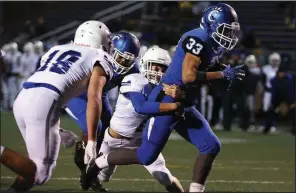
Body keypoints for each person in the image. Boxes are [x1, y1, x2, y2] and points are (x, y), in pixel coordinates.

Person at [87, 3, 245, 192]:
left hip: (184, 101)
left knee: (211, 145)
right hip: (167, 99)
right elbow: (188, 76)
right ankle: (99, 162)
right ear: (212, 25)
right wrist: (222, 75)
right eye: (225, 30)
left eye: (231, 31)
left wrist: (217, 72)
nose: (229, 36)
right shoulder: (197, 39)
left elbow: (198, 74)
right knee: (146, 156)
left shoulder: (214, 44)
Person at [0, 20, 115, 192]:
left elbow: (52, 84)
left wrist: (58, 132)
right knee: (40, 173)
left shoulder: (56, 50)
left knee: (32, 165)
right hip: (43, 102)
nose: (110, 45)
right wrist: (91, 140)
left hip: (24, 98)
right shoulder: (100, 57)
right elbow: (94, 97)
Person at [88, 47, 184, 192]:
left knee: (164, 177)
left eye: (162, 69)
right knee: (100, 178)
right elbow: (140, 107)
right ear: (145, 64)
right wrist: (173, 105)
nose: (158, 72)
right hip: (113, 139)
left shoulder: (165, 89)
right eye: (155, 67)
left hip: (140, 142)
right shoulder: (134, 79)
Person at [61, 31, 142, 189]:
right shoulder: (96, 56)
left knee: (108, 127)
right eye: (119, 57)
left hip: (100, 94)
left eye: (128, 60)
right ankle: (85, 163)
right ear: (110, 50)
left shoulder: (133, 69)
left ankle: (92, 167)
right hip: (77, 94)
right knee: (93, 128)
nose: (122, 63)